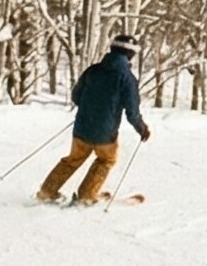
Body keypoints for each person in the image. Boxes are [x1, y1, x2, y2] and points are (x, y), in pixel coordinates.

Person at [39, 35, 151, 204]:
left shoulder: (93, 70)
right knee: (106, 160)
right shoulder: (127, 78)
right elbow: (132, 112)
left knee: (72, 160)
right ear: (129, 53)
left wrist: (91, 107)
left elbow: (77, 97)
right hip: (105, 134)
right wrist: (142, 128)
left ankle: (47, 191)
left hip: (81, 128)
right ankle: (86, 195)